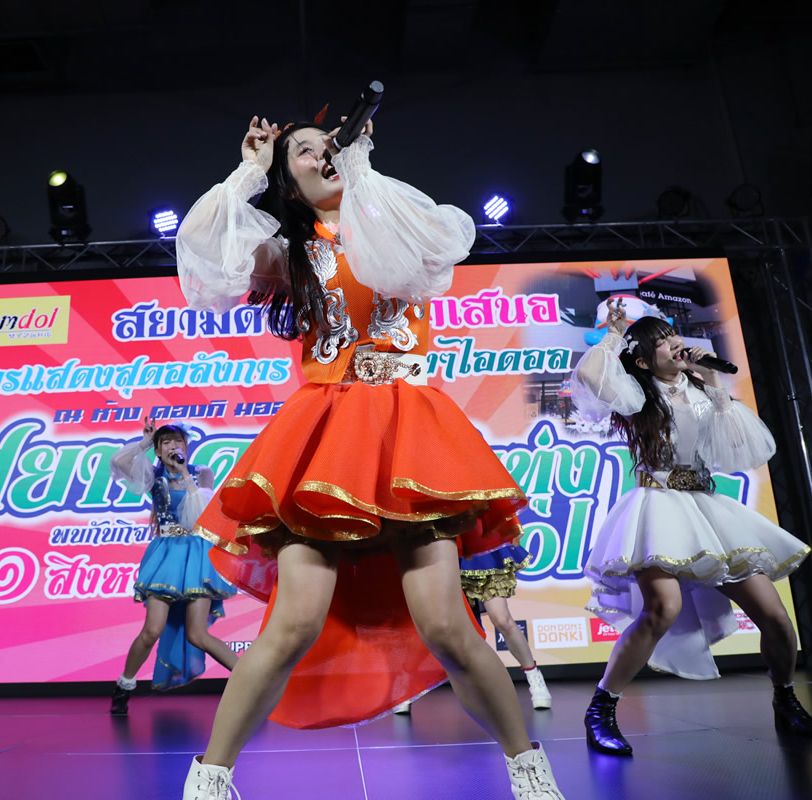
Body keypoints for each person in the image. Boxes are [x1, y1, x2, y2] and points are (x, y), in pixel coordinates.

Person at [173, 114, 564, 800]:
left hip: (409, 435)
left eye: (328, 144)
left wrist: (362, 169)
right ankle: (208, 779)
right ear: (288, 183)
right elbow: (206, 250)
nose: (320, 154)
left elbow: (442, 241)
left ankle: (529, 772)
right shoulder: (288, 253)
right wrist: (250, 171)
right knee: (293, 623)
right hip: (326, 440)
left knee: (447, 624)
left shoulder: (392, 222)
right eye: (303, 151)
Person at [571, 298, 812, 757]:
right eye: (661, 342)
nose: (675, 343)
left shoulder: (704, 392)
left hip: (706, 508)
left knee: (774, 616)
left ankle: (785, 698)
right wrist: (613, 334)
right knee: (662, 609)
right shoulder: (637, 394)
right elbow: (592, 375)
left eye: (674, 335)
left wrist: (713, 381)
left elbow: (741, 450)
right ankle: (601, 708)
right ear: (643, 360)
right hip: (659, 507)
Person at [106, 418, 237, 712]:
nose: (173, 447)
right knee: (152, 629)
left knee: (197, 635)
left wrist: (184, 474)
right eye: (165, 443)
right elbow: (119, 462)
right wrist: (144, 442)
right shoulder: (153, 476)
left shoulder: (201, 473)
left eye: (178, 442)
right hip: (167, 553)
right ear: (158, 450)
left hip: (198, 554)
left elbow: (201, 512)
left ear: (186, 447)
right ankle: (124, 685)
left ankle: (252, 681)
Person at [395, 543, 551, 714]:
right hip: (447, 550)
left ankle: (534, 677)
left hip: (480, 548)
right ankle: (405, 686)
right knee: (434, 626)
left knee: (502, 619)